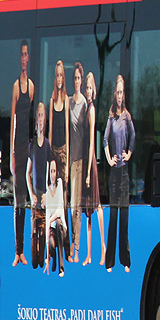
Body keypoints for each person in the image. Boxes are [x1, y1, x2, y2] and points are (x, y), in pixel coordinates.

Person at [104, 74, 134, 272]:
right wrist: (108, 159)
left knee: (124, 220)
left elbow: (133, 136)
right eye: (118, 92)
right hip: (113, 175)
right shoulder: (112, 116)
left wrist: (128, 154)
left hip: (124, 174)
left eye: (122, 92)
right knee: (113, 219)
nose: (120, 96)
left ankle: (126, 261)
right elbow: (105, 139)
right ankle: (110, 262)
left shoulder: (127, 116)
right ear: (114, 94)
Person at [10, 41, 34, 267]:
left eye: (27, 54)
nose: (24, 58)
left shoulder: (33, 87)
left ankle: (23, 250)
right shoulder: (17, 86)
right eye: (22, 54)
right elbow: (14, 120)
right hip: (18, 146)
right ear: (20, 58)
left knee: (27, 200)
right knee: (18, 201)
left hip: (28, 147)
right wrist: (12, 153)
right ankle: (17, 250)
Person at [81, 71, 107, 266]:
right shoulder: (85, 107)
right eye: (86, 87)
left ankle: (103, 247)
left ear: (94, 90)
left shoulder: (91, 110)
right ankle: (89, 253)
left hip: (90, 165)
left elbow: (91, 143)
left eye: (90, 88)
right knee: (88, 210)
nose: (88, 91)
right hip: (85, 162)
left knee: (96, 206)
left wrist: (89, 171)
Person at [49, 60, 71, 264]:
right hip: (53, 151)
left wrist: (67, 156)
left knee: (63, 198)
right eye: (56, 75)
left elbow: (66, 130)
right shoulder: (52, 100)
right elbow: (49, 129)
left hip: (63, 152)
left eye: (61, 76)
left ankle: (66, 243)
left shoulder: (66, 100)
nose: (59, 79)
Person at [68, 62, 88, 264]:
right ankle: (69, 246)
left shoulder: (85, 105)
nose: (76, 81)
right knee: (68, 205)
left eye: (78, 78)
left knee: (77, 207)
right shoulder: (68, 102)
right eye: (74, 78)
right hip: (69, 160)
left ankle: (76, 247)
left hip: (80, 161)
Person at [28, 102, 50, 270]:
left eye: (43, 115)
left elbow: (51, 171)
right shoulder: (32, 145)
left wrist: (46, 194)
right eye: (39, 115)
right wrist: (32, 194)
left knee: (45, 231)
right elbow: (27, 173)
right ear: (36, 120)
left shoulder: (47, 145)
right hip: (35, 196)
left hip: (45, 196)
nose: (41, 119)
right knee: (33, 229)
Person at [44, 152, 66, 277]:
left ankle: (61, 267)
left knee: (57, 223)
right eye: (51, 171)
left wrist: (50, 221)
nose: (53, 174)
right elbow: (47, 215)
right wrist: (47, 254)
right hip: (51, 229)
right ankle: (52, 261)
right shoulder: (47, 191)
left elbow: (59, 210)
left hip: (61, 227)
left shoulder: (60, 183)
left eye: (54, 171)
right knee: (51, 242)